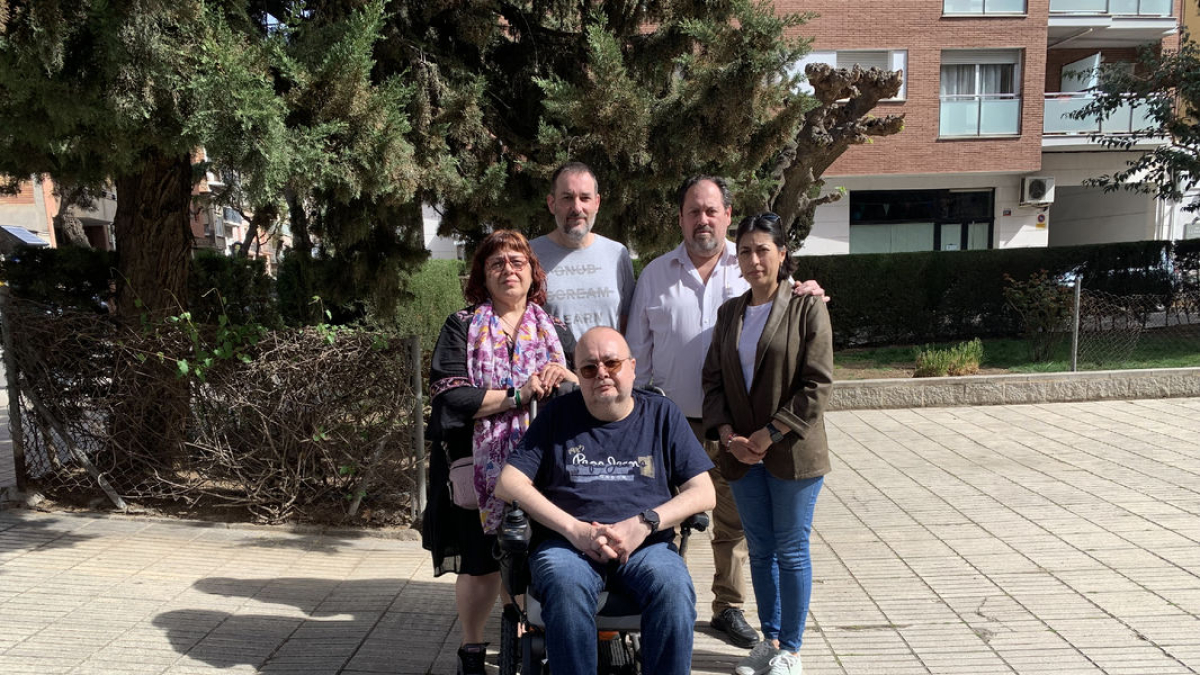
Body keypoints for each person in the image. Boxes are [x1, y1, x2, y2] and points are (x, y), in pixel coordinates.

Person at [625, 175, 825, 649]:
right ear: (680, 218)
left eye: (712, 211)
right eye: (693, 211)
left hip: (740, 429)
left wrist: (811, 289)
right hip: (671, 422)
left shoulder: (751, 267)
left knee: (734, 525)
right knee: (667, 519)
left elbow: (797, 324)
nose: (703, 219)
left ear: (728, 217)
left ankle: (728, 607)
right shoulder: (655, 273)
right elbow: (637, 354)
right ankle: (664, 602)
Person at [495, 327, 716, 675]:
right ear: (578, 374)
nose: (602, 374)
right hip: (567, 545)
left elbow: (704, 492)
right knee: (566, 586)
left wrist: (643, 524)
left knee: (674, 590)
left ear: (632, 366)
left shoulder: (662, 414)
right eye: (588, 368)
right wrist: (574, 529)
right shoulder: (556, 416)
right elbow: (508, 482)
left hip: (646, 545)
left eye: (611, 363)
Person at [422, 230, 579, 675]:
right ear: (482, 275)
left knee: (533, 556)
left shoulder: (557, 328)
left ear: (532, 273)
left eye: (517, 262)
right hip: (477, 467)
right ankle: (472, 650)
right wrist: (518, 393)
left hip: (544, 468)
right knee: (479, 562)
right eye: (497, 264)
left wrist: (564, 373)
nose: (508, 270)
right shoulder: (462, 325)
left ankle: (522, 637)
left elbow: (582, 387)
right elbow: (450, 394)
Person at [701, 213, 834, 675]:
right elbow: (713, 381)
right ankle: (770, 638)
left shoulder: (806, 306)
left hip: (792, 453)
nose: (754, 259)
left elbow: (817, 384)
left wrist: (769, 433)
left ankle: (791, 651)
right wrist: (726, 437)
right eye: (744, 251)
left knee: (791, 549)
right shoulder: (730, 313)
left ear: (782, 254)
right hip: (741, 454)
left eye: (763, 250)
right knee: (758, 548)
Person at [531, 161, 636, 338]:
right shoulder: (529, 254)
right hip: (553, 365)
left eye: (585, 198)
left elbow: (628, 322)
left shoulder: (617, 254)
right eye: (567, 198)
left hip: (607, 365)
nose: (577, 208)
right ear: (552, 203)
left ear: (597, 203)